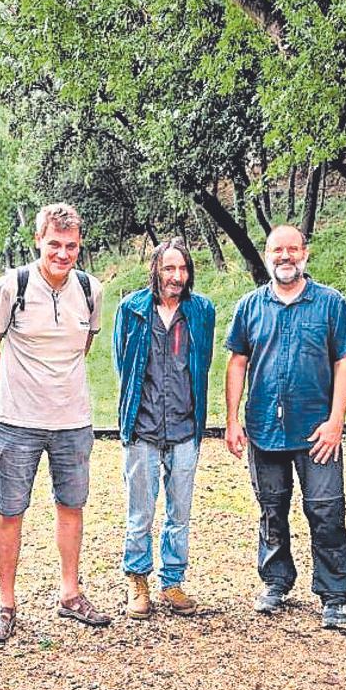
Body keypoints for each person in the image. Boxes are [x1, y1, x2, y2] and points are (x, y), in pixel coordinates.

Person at [0, 203, 108, 641]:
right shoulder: (11, 286)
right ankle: (5, 604)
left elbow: (83, 346)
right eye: (54, 244)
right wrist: (13, 388)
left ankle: (70, 594)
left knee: (71, 507)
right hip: (17, 421)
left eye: (71, 245)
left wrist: (57, 389)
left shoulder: (91, 290)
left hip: (73, 420)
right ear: (38, 240)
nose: (63, 253)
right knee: (9, 511)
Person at [224, 224, 346, 629]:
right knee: (271, 509)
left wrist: (337, 420)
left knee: (326, 510)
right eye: (276, 250)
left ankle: (335, 595)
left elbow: (345, 361)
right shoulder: (250, 306)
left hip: (316, 429)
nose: (285, 257)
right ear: (267, 256)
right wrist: (232, 419)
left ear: (305, 253)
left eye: (292, 249)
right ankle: (276, 580)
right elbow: (237, 362)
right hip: (265, 425)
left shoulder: (331, 303)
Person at [113, 238, 216, 619]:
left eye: (183, 268)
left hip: (185, 426)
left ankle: (172, 580)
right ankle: (137, 579)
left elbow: (201, 364)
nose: (177, 276)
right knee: (140, 510)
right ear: (155, 269)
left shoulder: (201, 310)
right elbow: (123, 365)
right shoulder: (132, 309)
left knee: (180, 512)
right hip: (143, 426)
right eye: (169, 268)